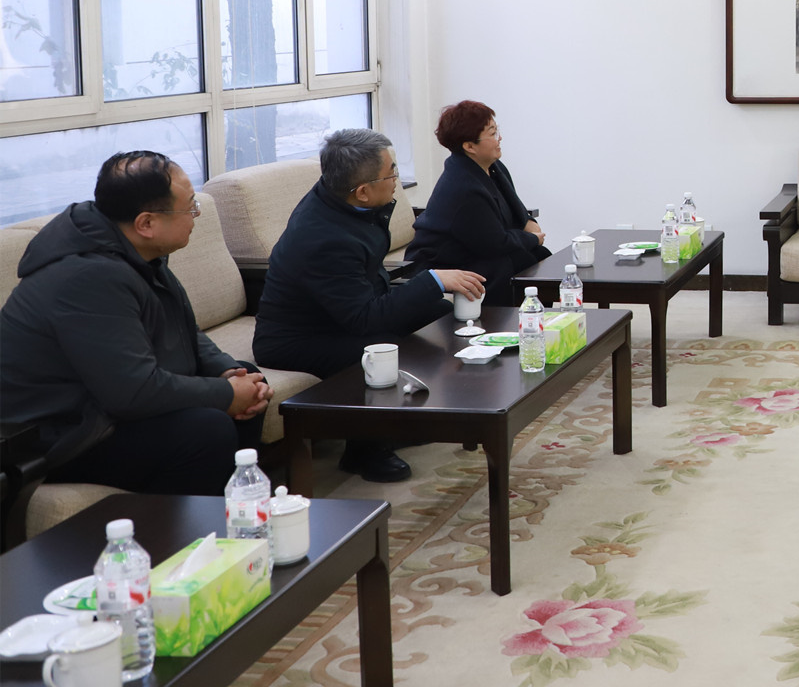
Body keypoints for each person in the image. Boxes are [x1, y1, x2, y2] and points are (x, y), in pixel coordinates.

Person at [0, 151, 271, 494]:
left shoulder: (132, 249)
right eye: (190, 207)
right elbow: (132, 392)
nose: (196, 214)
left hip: (104, 408)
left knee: (248, 380)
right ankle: (180, 526)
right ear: (146, 223)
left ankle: (237, 506)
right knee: (206, 428)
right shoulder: (87, 277)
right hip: (63, 433)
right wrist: (224, 394)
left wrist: (227, 372)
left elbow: (183, 330)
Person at [254, 129, 486, 483]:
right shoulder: (323, 238)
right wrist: (434, 280)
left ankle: (418, 415)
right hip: (297, 338)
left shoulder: (341, 198)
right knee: (378, 349)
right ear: (362, 191)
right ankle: (365, 450)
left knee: (438, 314)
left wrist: (429, 289)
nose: (397, 181)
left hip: (341, 313)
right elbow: (363, 318)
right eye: (392, 174)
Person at [404, 100, 549, 305]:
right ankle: (509, 321)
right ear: (469, 146)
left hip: (477, 249)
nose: (499, 138)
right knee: (509, 264)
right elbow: (495, 244)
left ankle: (544, 316)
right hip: (445, 262)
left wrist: (527, 220)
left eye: (497, 130)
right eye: (492, 133)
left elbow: (513, 203)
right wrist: (532, 238)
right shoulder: (463, 188)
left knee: (540, 256)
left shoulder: (493, 166)